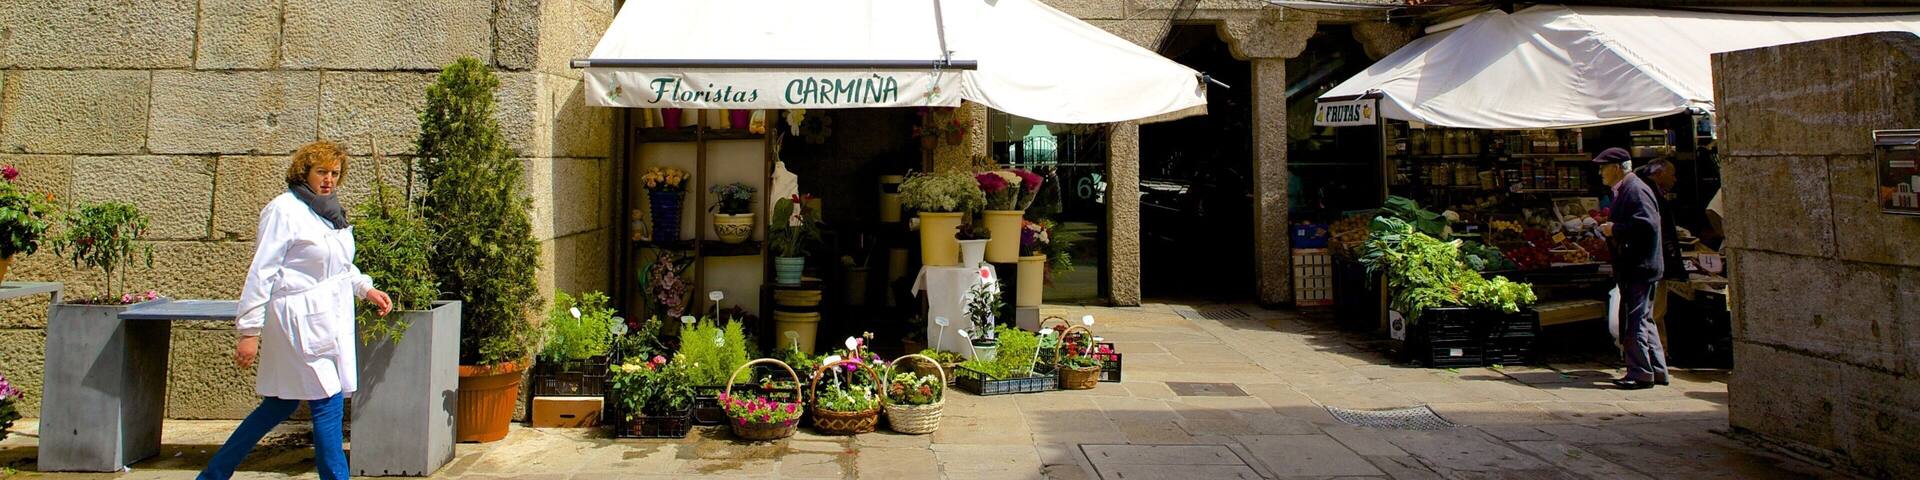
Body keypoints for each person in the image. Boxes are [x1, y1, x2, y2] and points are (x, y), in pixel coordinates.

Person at [200, 140, 393, 480]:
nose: (329, 179)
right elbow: (262, 271)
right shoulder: (283, 210)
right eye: (322, 172)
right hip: (297, 319)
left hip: (327, 317)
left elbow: (338, 266)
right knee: (328, 400)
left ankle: (213, 474)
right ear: (304, 172)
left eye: (335, 173)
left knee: (281, 403)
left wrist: (366, 288)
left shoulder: (329, 212)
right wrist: (249, 331)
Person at [1596, 147, 1667, 390]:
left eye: (1603, 167)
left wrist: (1614, 229)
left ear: (1617, 168)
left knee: (1635, 320)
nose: (1600, 172)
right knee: (1644, 319)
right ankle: (1656, 369)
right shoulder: (1627, 189)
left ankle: (1639, 373)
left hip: (1639, 266)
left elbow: (1647, 225)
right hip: (1638, 266)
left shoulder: (1635, 189)